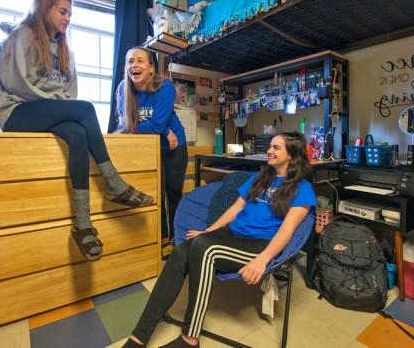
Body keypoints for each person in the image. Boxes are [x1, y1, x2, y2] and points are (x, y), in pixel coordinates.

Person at [0, 0, 153, 261]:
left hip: (44, 110)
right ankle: (113, 183)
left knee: (77, 134)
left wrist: (60, 106)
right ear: (45, 8)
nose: (68, 18)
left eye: (70, 13)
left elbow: (69, 91)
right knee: (85, 109)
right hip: (16, 110)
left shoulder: (64, 48)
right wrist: (59, 105)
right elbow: (18, 83)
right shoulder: (23, 34)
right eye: (62, 11)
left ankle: (82, 223)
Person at [122, 132, 316, 348]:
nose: (269, 150)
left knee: (206, 249)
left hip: (258, 245)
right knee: (180, 252)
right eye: (270, 146)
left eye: (276, 147)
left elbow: (286, 231)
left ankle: (190, 338)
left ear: (292, 154)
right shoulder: (260, 177)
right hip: (231, 235)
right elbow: (236, 208)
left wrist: (263, 260)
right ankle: (139, 337)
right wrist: (208, 231)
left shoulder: (303, 189)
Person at [115, 47, 188, 241]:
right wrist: (162, 129)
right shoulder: (123, 89)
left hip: (173, 147)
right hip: (149, 148)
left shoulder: (164, 87)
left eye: (140, 61)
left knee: (173, 194)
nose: (134, 65)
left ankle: (176, 237)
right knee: (155, 193)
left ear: (151, 68)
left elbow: (153, 125)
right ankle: (163, 238)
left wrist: (155, 128)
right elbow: (126, 123)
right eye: (130, 61)